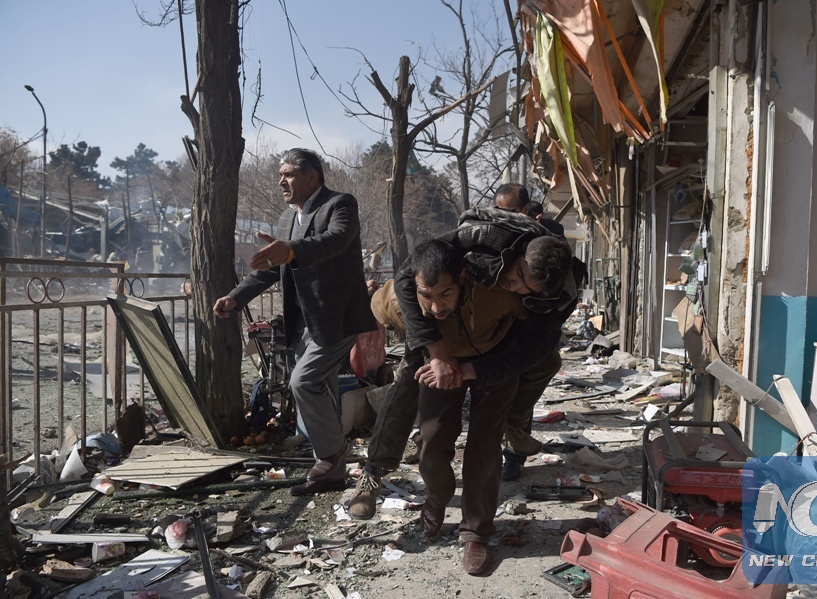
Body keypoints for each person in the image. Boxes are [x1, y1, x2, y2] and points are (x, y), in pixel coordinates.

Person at [384, 239, 564, 574]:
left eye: (445, 294)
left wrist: (476, 369)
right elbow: (399, 295)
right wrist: (435, 353)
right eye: (427, 296)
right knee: (432, 439)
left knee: (484, 446)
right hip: (440, 364)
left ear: (463, 277)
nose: (436, 306)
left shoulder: (504, 287)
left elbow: (535, 344)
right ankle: (437, 498)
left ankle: (476, 532)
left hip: (497, 365)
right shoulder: (410, 293)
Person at [213, 148, 376, 496]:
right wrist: (235, 298)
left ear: (312, 177)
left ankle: (331, 454)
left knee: (303, 382)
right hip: (302, 324)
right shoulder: (287, 219)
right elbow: (271, 270)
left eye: (288, 174)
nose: (281, 182)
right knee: (322, 390)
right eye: (280, 175)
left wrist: (290, 250)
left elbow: (335, 241)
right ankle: (332, 474)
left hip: (337, 318)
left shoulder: (339, 204)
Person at [494, 182, 565, 237]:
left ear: (525, 209)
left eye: (508, 212)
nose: (502, 216)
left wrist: (539, 233)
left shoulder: (552, 228)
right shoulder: (494, 230)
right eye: (498, 210)